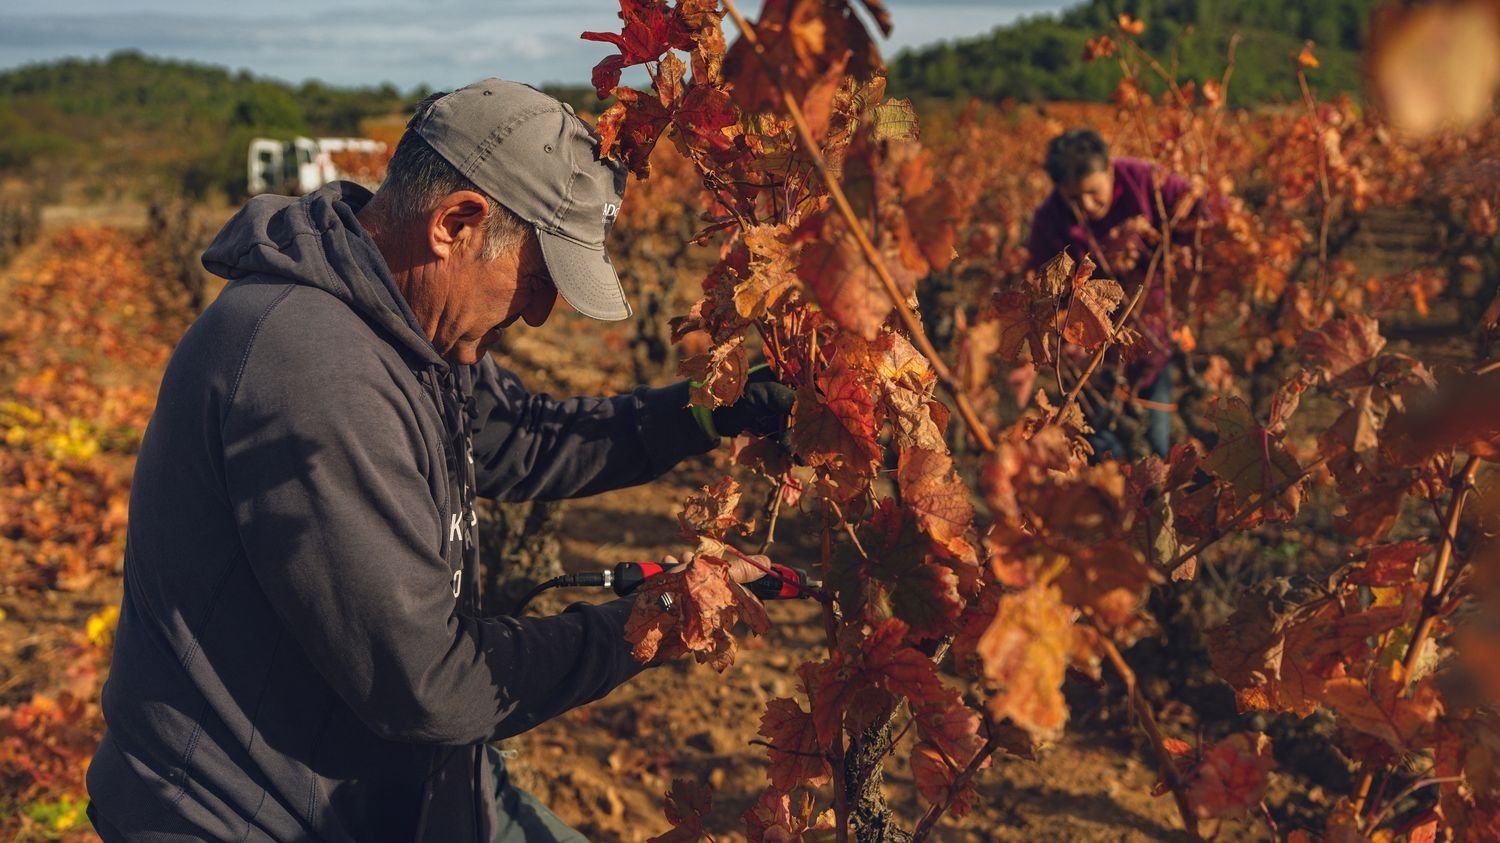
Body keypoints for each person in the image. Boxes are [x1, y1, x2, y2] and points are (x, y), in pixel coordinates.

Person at [86, 78, 792, 842]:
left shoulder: (404, 328)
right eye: (538, 278)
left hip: (388, 788)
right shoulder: (311, 369)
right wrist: (656, 618)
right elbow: (429, 682)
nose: (540, 313)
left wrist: (712, 409)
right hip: (251, 817)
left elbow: (525, 437)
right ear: (456, 224)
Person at [1027, 128, 1193, 459]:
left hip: (1153, 335)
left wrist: (1184, 258)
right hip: (1093, 353)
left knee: (1155, 440)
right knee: (1102, 443)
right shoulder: (1049, 220)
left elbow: (1198, 207)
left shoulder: (1146, 180)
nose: (1087, 205)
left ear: (1110, 169)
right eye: (1074, 198)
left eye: (1093, 192)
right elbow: (1044, 291)